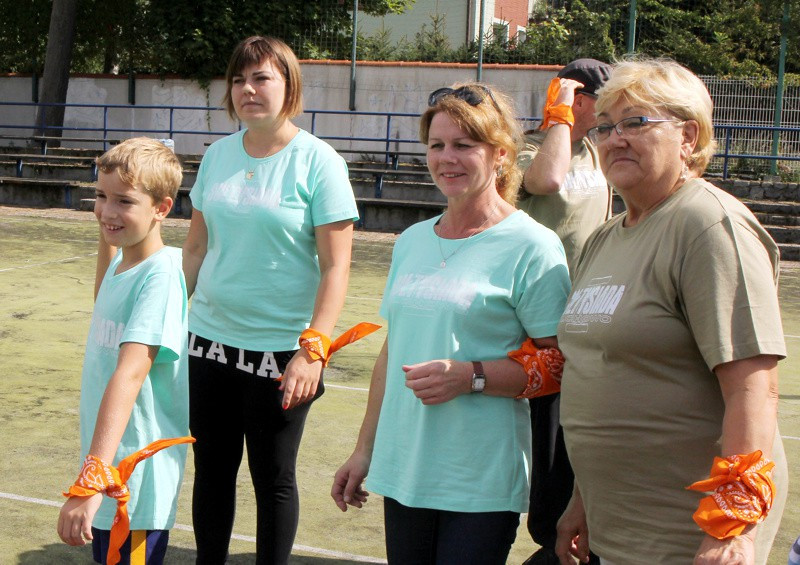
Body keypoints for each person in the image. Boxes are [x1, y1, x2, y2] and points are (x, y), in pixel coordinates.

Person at [555, 58, 787, 565]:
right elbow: (601, 370)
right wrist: (583, 501)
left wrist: (730, 525)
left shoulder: (708, 226)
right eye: (606, 126)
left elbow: (753, 386)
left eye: (637, 122)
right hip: (619, 519)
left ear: (688, 135)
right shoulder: (605, 237)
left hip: (687, 529)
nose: (616, 139)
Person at [331, 82, 571, 564]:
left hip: (478, 480)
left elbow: (561, 364)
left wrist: (470, 376)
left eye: (464, 145)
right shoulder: (412, 240)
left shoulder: (533, 246)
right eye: (437, 145)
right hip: (405, 470)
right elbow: (392, 352)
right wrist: (365, 450)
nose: (447, 158)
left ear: (500, 154)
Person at [182, 36, 358, 564]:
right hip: (207, 343)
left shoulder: (319, 162)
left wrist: (314, 349)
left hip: (282, 354)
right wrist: (167, 320)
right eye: (238, 79)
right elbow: (194, 248)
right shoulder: (216, 156)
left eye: (261, 78)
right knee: (211, 469)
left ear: (289, 86)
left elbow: (336, 267)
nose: (248, 90)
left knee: (273, 477)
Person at [58, 137, 191, 565]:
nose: (107, 210)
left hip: (133, 481)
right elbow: (104, 302)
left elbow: (131, 372)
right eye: (100, 195)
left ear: (162, 209)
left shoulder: (162, 275)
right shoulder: (123, 263)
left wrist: (92, 474)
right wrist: (109, 234)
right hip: (109, 469)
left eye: (124, 201)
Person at [517, 58, 611, 565]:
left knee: (585, 432)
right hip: (544, 325)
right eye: (602, 97)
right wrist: (559, 117)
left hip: (593, 316)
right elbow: (548, 182)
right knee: (548, 438)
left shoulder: (599, 150)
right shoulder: (529, 149)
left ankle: (573, 533)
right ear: (576, 99)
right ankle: (549, 535)